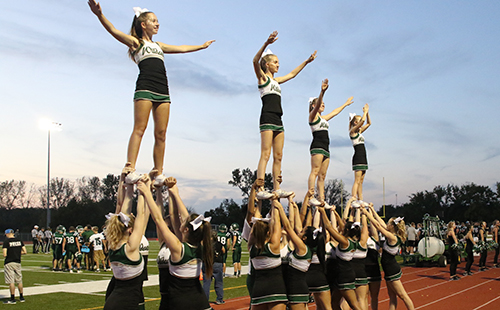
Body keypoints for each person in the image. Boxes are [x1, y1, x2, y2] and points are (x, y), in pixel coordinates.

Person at [88, 1, 215, 184]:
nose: (157, 24)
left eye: (157, 21)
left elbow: (181, 48)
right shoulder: (136, 43)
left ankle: (158, 173)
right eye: (154, 21)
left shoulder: (159, 45)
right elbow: (114, 31)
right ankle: (130, 167)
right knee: (140, 128)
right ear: (143, 24)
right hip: (145, 87)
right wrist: (99, 15)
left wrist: (201, 46)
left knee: (161, 133)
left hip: (163, 89)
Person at [253, 31, 316, 199]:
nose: (278, 65)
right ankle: (260, 188)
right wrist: (266, 44)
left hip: (278, 119)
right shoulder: (262, 79)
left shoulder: (277, 81)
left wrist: (306, 62)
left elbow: (293, 74)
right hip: (267, 117)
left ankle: (276, 187)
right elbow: (254, 61)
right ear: (267, 65)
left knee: (278, 156)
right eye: (275, 62)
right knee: (265, 154)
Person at [144, 177, 213, 310]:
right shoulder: (201, 247)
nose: (180, 221)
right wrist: (174, 191)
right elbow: (179, 215)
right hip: (200, 302)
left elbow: (158, 219)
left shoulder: (178, 249)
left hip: (180, 303)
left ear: (186, 229)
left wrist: (147, 192)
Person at [104, 175, 148, 310]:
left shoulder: (112, 244)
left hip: (112, 300)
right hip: (128, 304)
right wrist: (142, 191)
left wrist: (129, 187)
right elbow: (141, 214)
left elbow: (121, 212)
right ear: (130, 230)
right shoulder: (130, 248)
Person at [307, 79, 353, 206]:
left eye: (323, 104)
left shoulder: (323, 119)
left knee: (322, 176)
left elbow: (334, 112)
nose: (323, 105)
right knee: (315, 171)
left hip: (326, 147)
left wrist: (345, 104)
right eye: (320, 103)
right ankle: (311, 195)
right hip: (317, 146)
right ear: (313, 106)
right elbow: (316, 107)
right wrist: (322, 92)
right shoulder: (312, 116)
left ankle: (322, 199)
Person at [360, 206, 415, 310]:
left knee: (403, 295)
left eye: (389, 223)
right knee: (392, 297)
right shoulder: (391, 234)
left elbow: (378, 226)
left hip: (392, 271)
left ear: (392, 226)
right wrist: (372, 209)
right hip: (388, 271)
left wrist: (367, 214)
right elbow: (380, 222)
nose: (387, 224)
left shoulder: (393, 237)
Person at [349, 104, 371, 200]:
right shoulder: (352, 132)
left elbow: (369, 123)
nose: (359, 122)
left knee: (361, 180)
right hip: (358, 156)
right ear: (354, 123)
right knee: (357, 180)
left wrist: (367, 112)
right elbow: (362, 122)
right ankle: (353, 198)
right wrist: (364, 113)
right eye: (357, 121)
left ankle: (360, 198)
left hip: (363, 156)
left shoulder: (360, 132)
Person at [3, 229, 27, 304]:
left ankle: (12, 298)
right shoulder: (19, 240)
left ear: (7, 234)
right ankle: (21, 297)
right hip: (17, 262)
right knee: (19, 280)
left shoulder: (6, 242)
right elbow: (24, 251)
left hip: (9, 262)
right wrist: (17, 253)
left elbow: (5, 254)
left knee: (11, 281)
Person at [203, 231, 225, 305]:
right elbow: (224, 250)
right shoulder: (218, 244)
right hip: (217, 263)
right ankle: (220, 299)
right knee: (218, 282)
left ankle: (205, 300)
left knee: (206, 283)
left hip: (207, 263)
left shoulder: (205, 244)